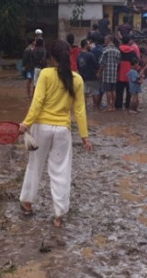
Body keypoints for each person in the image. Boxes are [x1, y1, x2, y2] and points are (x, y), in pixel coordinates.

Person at [18, 39, 92, 227]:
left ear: (51, 57)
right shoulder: (77, 79)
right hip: (62, 130)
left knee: (35, 165)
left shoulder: (45, 74)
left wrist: (26, 123)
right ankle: (58, 215)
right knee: (60, 171)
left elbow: (38, 101)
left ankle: (27, 203)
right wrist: (84, 137)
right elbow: (80, 110)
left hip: (41, 127)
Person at [96, 35, 121, 111]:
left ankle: (109, 106)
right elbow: (119, 62)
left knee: (108, 90)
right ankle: (113, 106)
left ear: (108, 40)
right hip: (114, 72)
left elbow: (102, 63)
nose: (104, 41)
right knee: (113, 90)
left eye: (105, 39)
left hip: (106, 73)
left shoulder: (105, 50)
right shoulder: (117, 50)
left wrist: (99, 72)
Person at [77, 39, 100, 110]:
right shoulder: (90, 55)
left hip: (83, 77)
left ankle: (84, 107)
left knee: (84, 93)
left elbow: (78, 66)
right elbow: (96, 65)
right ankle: (95, 107)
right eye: (88, 44)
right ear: (85, 45)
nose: (90, 45)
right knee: (95, 92)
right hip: (92, 76)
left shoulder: (79, 55)